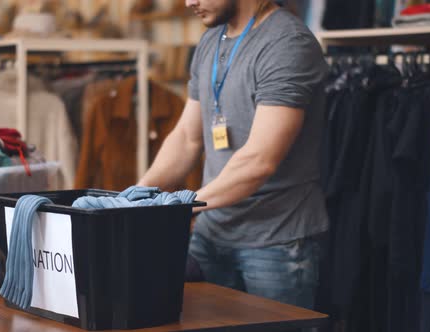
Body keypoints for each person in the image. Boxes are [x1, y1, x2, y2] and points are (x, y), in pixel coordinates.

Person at [138, 0, 329, 309]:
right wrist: (137, 194)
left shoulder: (288, 43)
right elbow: (187, 138)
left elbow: (258, 161)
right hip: (210, 234)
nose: (189, 3)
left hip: (275, 242)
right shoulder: (210, 40)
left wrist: (178, 207)